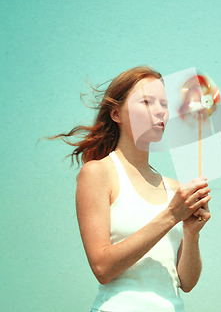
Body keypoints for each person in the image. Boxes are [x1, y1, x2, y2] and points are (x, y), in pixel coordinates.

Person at [45, 65, 211, 312]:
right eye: (147, 102)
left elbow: (186, 282)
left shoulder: (173, 189)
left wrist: (191, 233)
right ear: (116, 114)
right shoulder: (98, 173)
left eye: (164, 105)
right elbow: (102, 268)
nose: (160, 112)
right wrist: (172, 215)